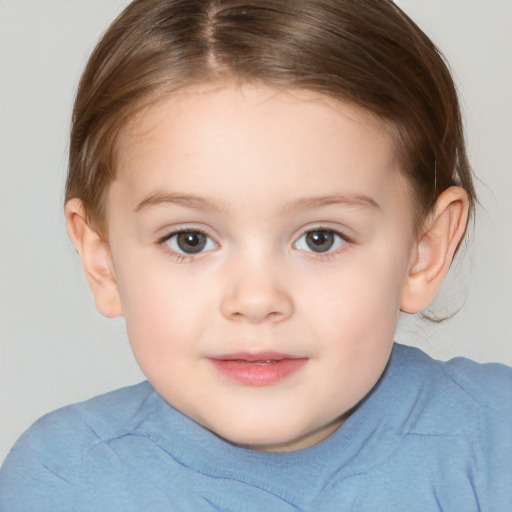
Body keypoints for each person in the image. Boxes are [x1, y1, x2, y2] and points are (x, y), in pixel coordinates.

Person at [1, 0, 510, 510]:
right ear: (103, 261)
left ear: (424, 251)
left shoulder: (495, 443)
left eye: (320, 238)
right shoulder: (66, 482)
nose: (256, 299)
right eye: (190, 240)